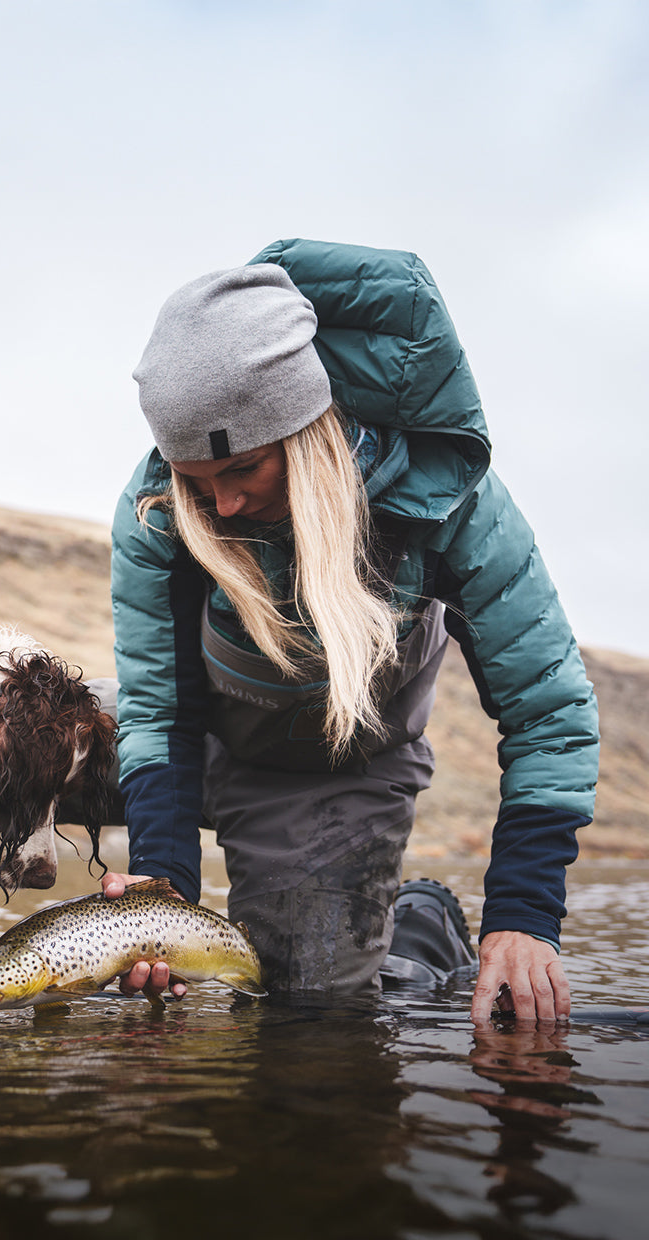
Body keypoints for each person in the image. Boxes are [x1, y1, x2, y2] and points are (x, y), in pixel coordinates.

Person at [102, 238, 599, 1023]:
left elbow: (550, 712)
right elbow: (159, 711)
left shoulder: (448, 503)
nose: (222, 506)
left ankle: (420, 933)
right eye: (199, 484)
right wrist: (160, 892)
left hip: (328, 767)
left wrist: (524, 917)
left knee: (305, 1017)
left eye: (243, 471)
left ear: (308, 436)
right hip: (192, 738)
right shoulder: (159, 510)